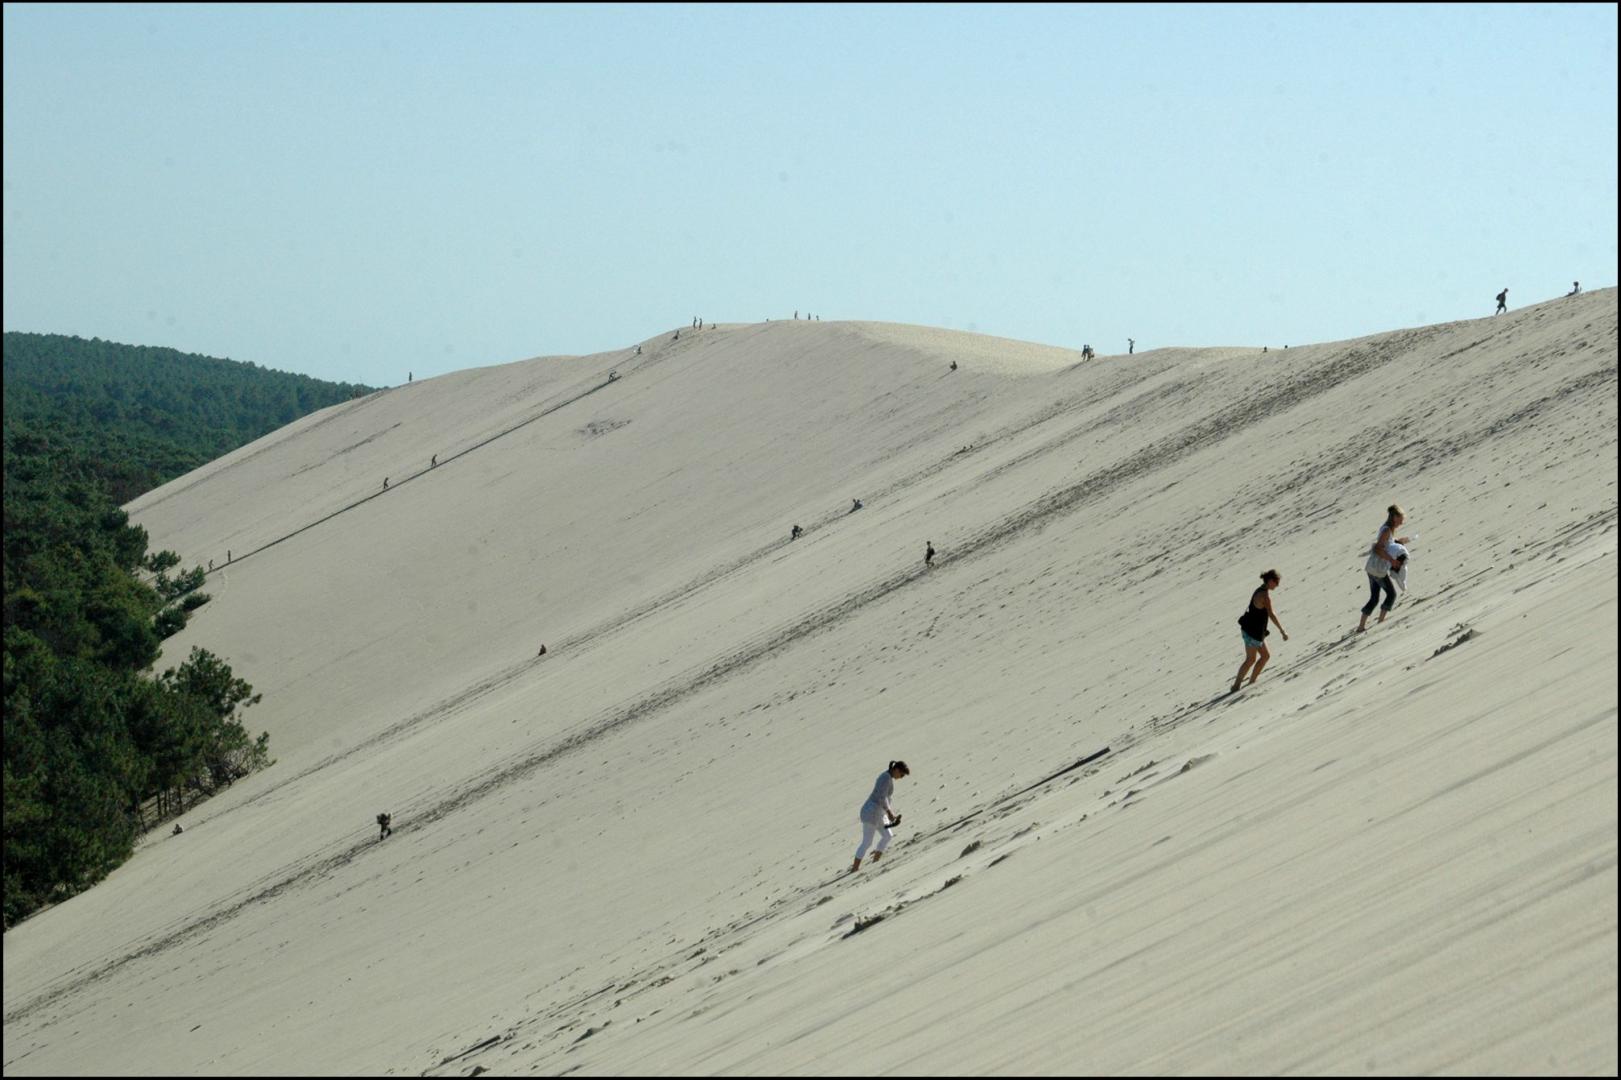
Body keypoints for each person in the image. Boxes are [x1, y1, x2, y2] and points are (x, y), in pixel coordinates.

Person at [1357, 504, 1411, 632]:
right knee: (1391, 594)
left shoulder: (1388, 529)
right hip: (1378, 569)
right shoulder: (1387, 530)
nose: (1402, 522)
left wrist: (1399, 541)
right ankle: (1381, 621)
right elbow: (1378, 548)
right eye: (1401, 519)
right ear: (1394, 517)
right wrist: (1392, 560)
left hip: (1372, 568)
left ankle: (1361, 626)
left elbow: (1386, 543)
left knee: (1374, 597)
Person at [1232, 570, 1287, 692]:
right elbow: (1271, 614)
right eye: (1276, 582)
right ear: (1270, 581)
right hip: (1253, 633)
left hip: (1254, 631)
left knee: (1265, 656)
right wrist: (1282, 630)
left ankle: (1251, 682)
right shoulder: (1264, 596)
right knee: (1251, 659)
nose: (1277, 585)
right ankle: (1236, 685)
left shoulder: (1259, 590)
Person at [852, 761, 909, 871]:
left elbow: (885, 798)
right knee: (867, 842)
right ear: (896, 770)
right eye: (901, 774)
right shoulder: (885, 778)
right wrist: (890, 812)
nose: (901, 777)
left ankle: (875, 862)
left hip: (879, 814)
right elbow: (882, 798)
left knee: (887, 836)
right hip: (871, 813)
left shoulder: (888, 778)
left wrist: (889, 813)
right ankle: (854, 868)